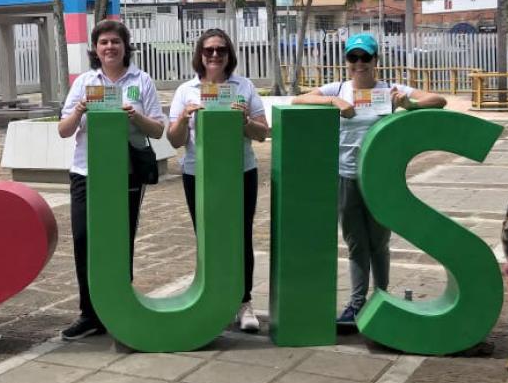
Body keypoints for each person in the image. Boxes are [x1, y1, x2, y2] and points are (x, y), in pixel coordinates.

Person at [293, 33, 446, 329]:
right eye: (353, 57)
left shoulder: (390, 90)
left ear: (376, 60)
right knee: (355, 244)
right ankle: (357, 303)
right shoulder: (338, 88)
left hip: (380, 179)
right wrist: (332, 101)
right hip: (346, 176)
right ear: (346, 61)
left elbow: (438, 100)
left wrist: (408, 104)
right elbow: (298, 98)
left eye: (365, 57)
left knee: (379, 243)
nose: (359, 63)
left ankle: (382, 299)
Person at [58, 19, 165, 340]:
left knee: (121, 239)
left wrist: (135, 115)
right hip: (85, 173)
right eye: (103, 42)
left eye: (115, 42)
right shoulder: (85, 82)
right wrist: (79, 109)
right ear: (95, 48)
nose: (109, 47)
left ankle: (119, 306)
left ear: (125, 46)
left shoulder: (141, 80)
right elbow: (64, 130)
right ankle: (88, 313)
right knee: (83, 239)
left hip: (126, 173)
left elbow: (158, 130)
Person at [167, 28, 269, 332]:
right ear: (199, 54)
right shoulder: (186, 90)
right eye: (209, 50)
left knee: (240, 236)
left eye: (221, 50)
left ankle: (243, 301)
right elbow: (174, 140)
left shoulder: (243, 86)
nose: (214, 55)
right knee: (207, 237)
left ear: (229, 55)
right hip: (197, 173)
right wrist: (184, 117)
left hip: (240, 172)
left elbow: (262, 132)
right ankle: (212, 300)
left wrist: (245, 121)